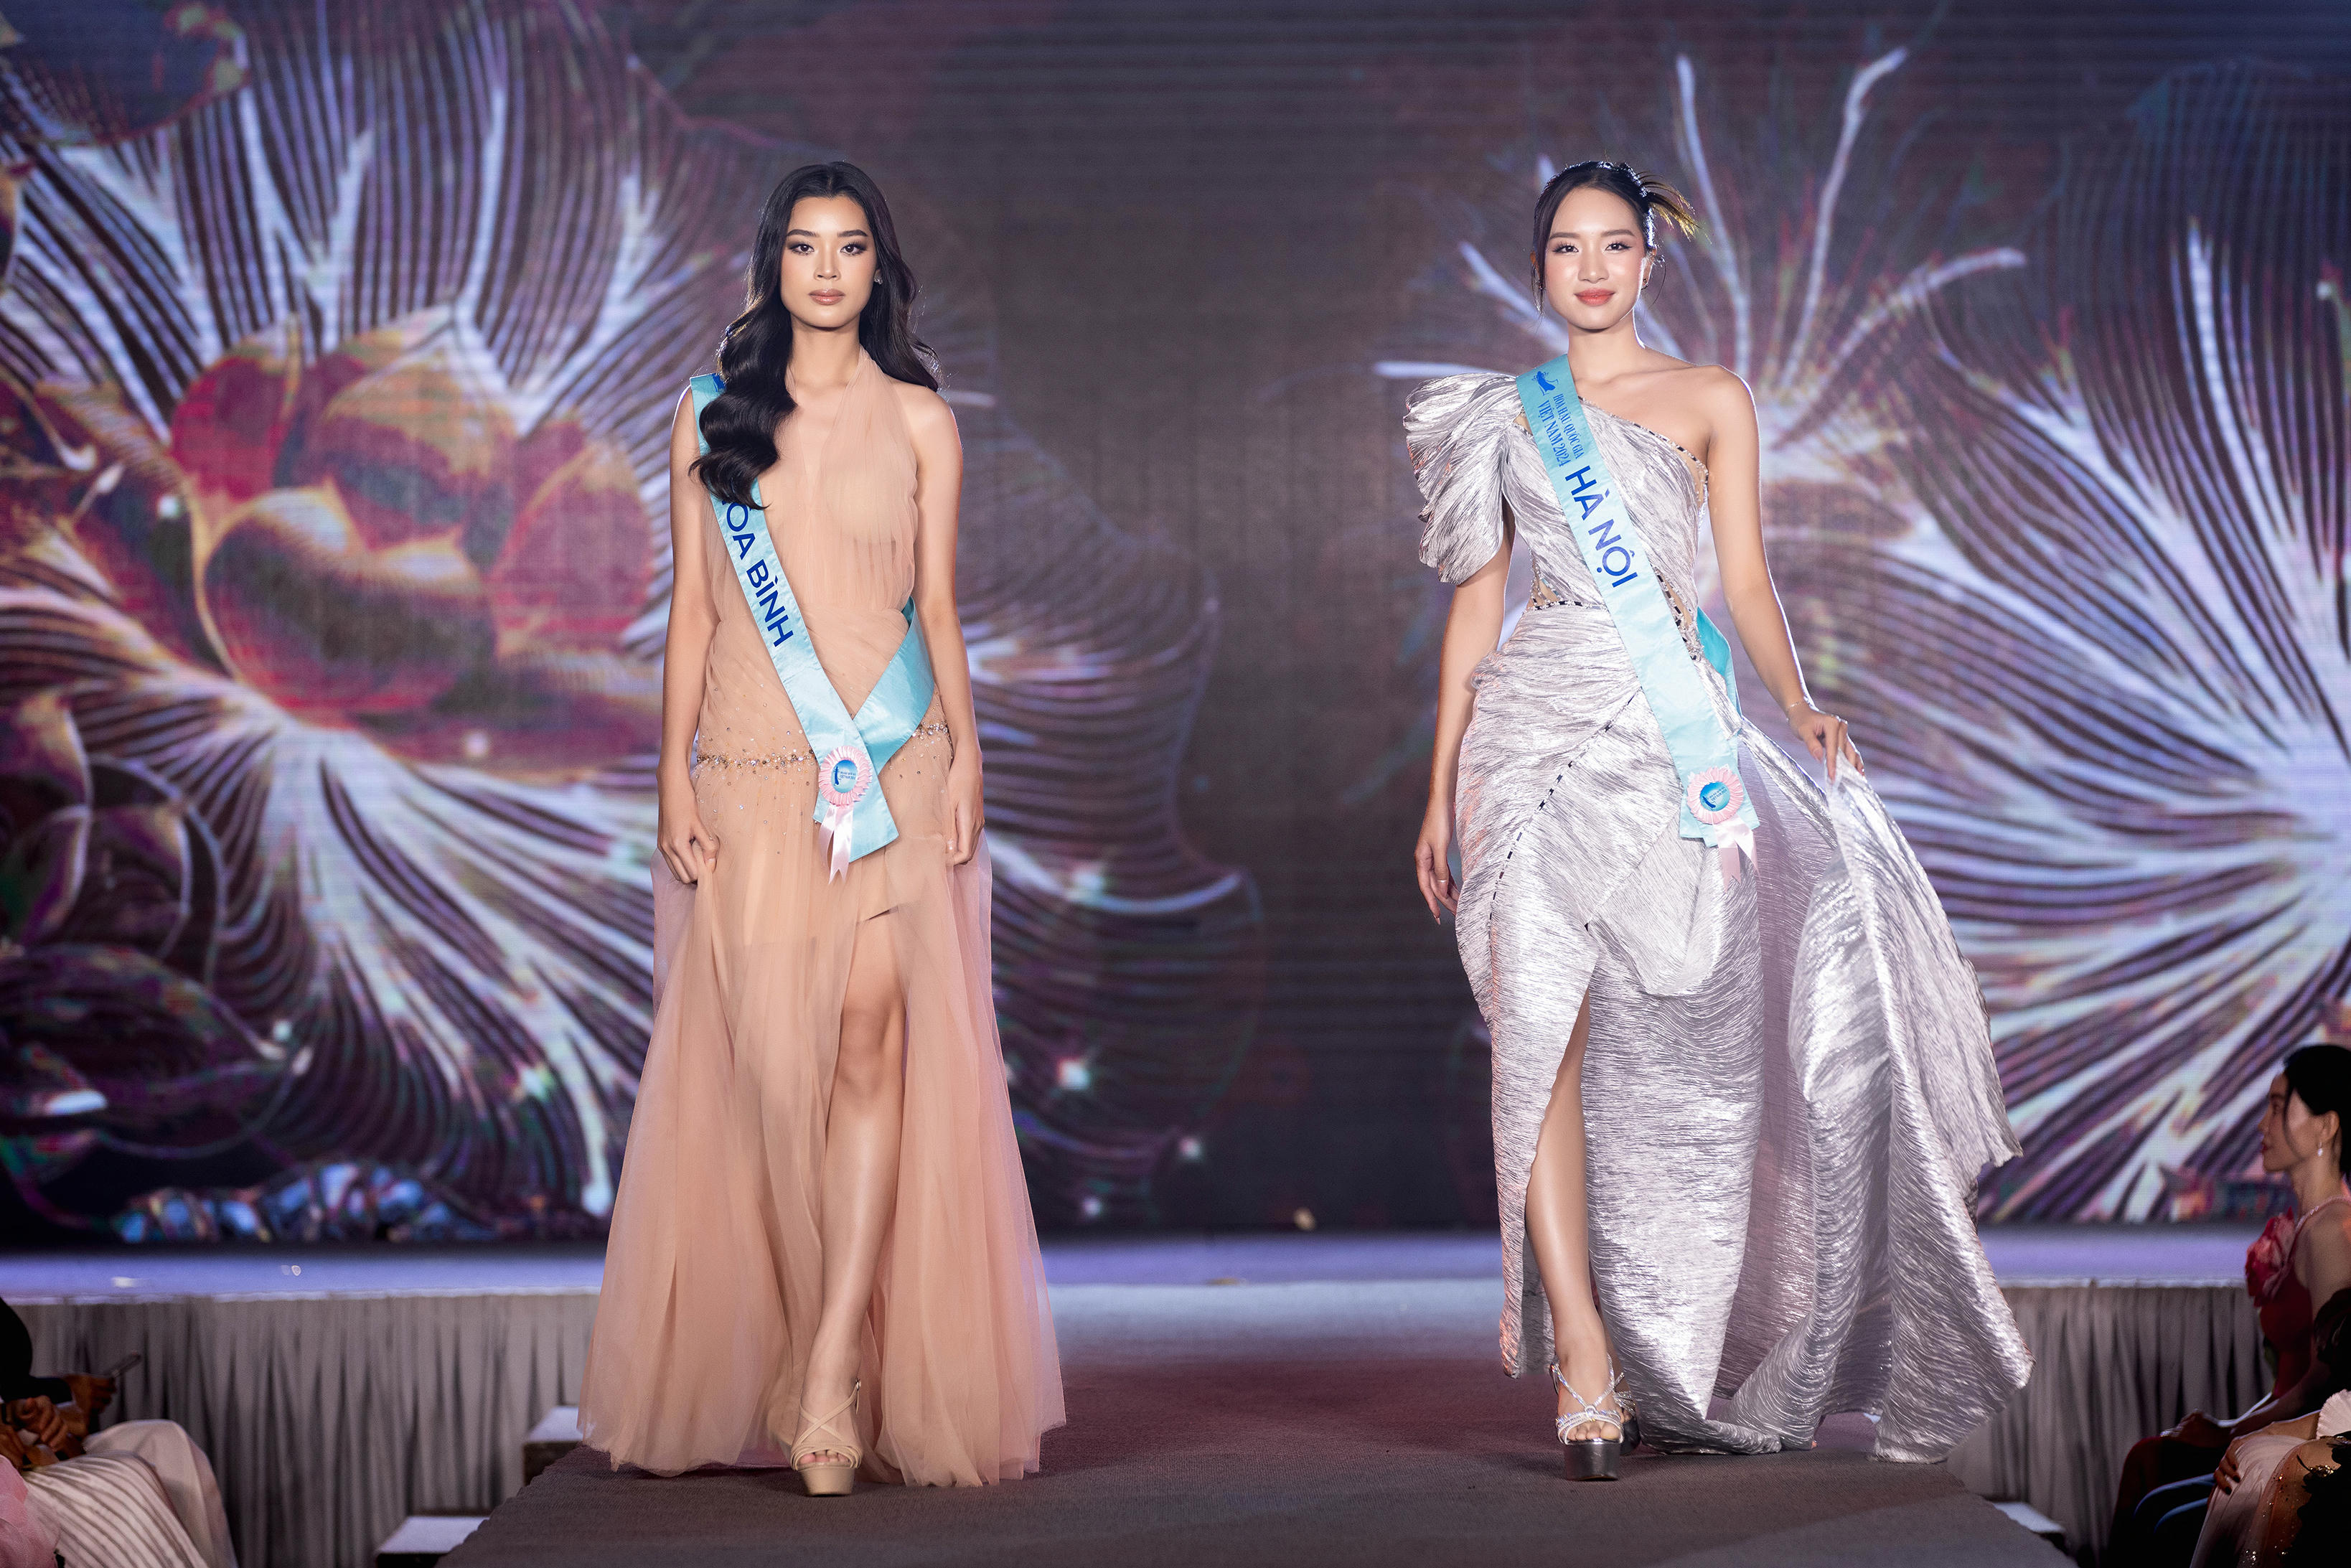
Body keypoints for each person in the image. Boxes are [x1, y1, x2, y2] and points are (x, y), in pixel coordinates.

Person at [1406, 159, 2030, 1478]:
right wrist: (1439, 783)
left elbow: (1742, 578)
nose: (1590, 268)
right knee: (1539, 1041)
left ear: (1650, 259)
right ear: (1540, 269)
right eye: (1566, 247)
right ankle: (1582, 1354)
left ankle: (1681, 1334)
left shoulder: (1708, 398)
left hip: (1664, 737)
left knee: (1674, 1034)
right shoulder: (1502, 417)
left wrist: (1796, 703)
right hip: (1528, 742)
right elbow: (1473, 612)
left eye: (1614, 245)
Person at [579, 161, 1063, 1493]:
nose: (828, 270)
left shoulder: (921, 421)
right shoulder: (710, 413)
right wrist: (672, 773)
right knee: (767, 1078)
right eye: (805, 246)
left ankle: (837, 1368)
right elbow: (692, 610)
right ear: (773, 264)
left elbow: (938, 608)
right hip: (749, 765)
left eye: (851, 247)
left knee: (867, 1040)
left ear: (880, 269)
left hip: (892, 764)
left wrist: (968, 755)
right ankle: (798, 1344)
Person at [2112, 1045, 2351, 1562]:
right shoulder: (2309, 1224)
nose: (2262, 1123)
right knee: (2150, 1477)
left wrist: (2231, 1430)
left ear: (2326, 1126)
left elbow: (2323, 1382)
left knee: (2154, 1490)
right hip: (2276, 1428)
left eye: (2278, 1106)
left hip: (2302, 1441)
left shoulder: (2332, 1230)